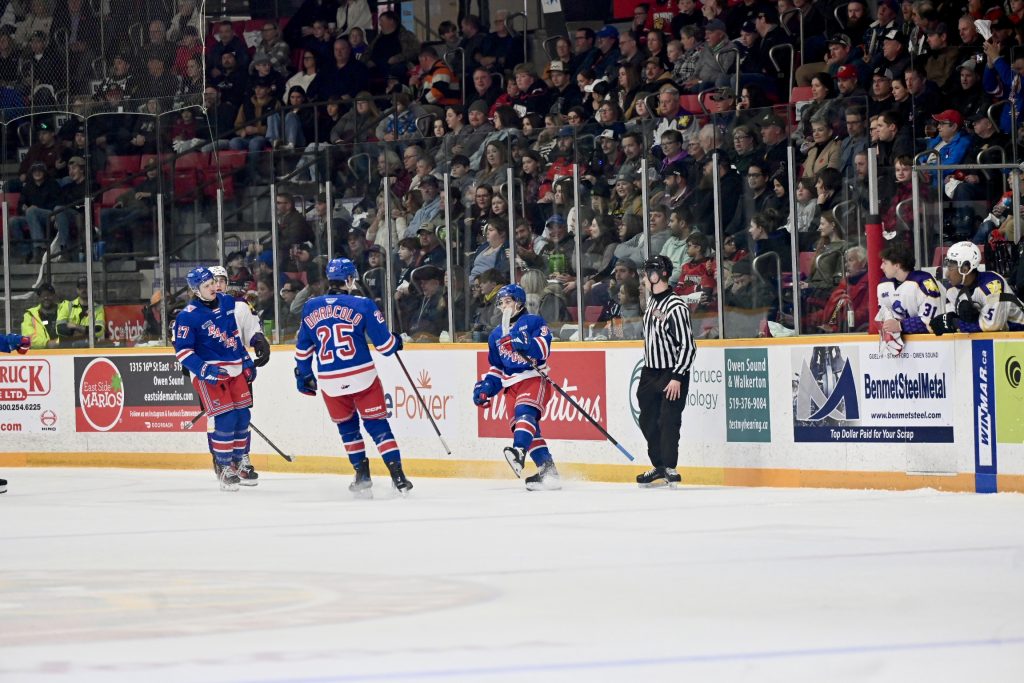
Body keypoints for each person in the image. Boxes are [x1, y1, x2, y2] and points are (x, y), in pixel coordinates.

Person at [294, 258, 412, 497]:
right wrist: (398, 341)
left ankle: (362, 474)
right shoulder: (363, 304)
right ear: (349, 279)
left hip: (329, 380)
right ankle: (398, 476)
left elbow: (303, 349)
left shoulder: (310, 306)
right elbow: (386, 346)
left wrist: (303, 374)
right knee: (378, 426)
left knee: (348, 429)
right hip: (362, 377)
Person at [174, 267, 259, 491]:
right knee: (226, 419)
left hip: (234, 370)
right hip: (211, 375)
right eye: (207, 285)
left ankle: (238, 460)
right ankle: (222, 466)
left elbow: (234, 336)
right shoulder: (187, 315)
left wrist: (246, 361)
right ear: (196, 290)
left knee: (243, 415)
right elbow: (183, 352)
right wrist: (204, 370)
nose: (213, 287)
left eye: (213, 282)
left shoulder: (228, 303)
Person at [472, 284, 561, 491]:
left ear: (519, 302)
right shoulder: (495, 335)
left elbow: (544, 348)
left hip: (533, 378)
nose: (504, 306)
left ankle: (518, 452)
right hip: (510, 386)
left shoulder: (533, 321)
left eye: (508, 301)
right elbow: (497, 367)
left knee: (524, 415)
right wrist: (486, 388)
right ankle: (549, 472)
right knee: (528, 430)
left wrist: (523, 343)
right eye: (501, 303)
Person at [636, 255, 696, 488]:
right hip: (650, 372)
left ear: (656, 275)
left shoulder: (676, 306)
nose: (643, 278)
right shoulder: (652, 302)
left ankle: (669, 466)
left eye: (646, 273)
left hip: (670, 372)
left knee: (669, 420)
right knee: (648, 420)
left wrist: (677, 377)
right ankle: (658, 465)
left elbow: (688, 346)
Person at [931, 242, 1024, 334]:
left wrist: (957, 324)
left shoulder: (993, 285)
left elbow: (992, 326)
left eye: (951, 267)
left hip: (1019, 332)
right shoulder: (952, 289)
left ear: (965, 268)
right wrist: (951, 318)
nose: (947, 274)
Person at [876, 242, 944, 354]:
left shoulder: (924, 282)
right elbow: (884, 314)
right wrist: (889, 329)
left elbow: (932, 322)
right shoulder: (884, 284)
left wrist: (900, 325)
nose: (881, 267)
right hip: (906, 351)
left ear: (897, 265)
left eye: (885, 263)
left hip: (933, 348)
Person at [56, 277, 105, 347]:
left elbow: (99, 330)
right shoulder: (67, 305)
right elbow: (59, 328)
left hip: (89, 347)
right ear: (77, 290)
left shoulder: (98, 308)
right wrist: (82, 332)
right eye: (81, 287)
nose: (84, 290)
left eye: (86, 287)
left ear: (91, 289)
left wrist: (77, 327)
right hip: (69, 347)